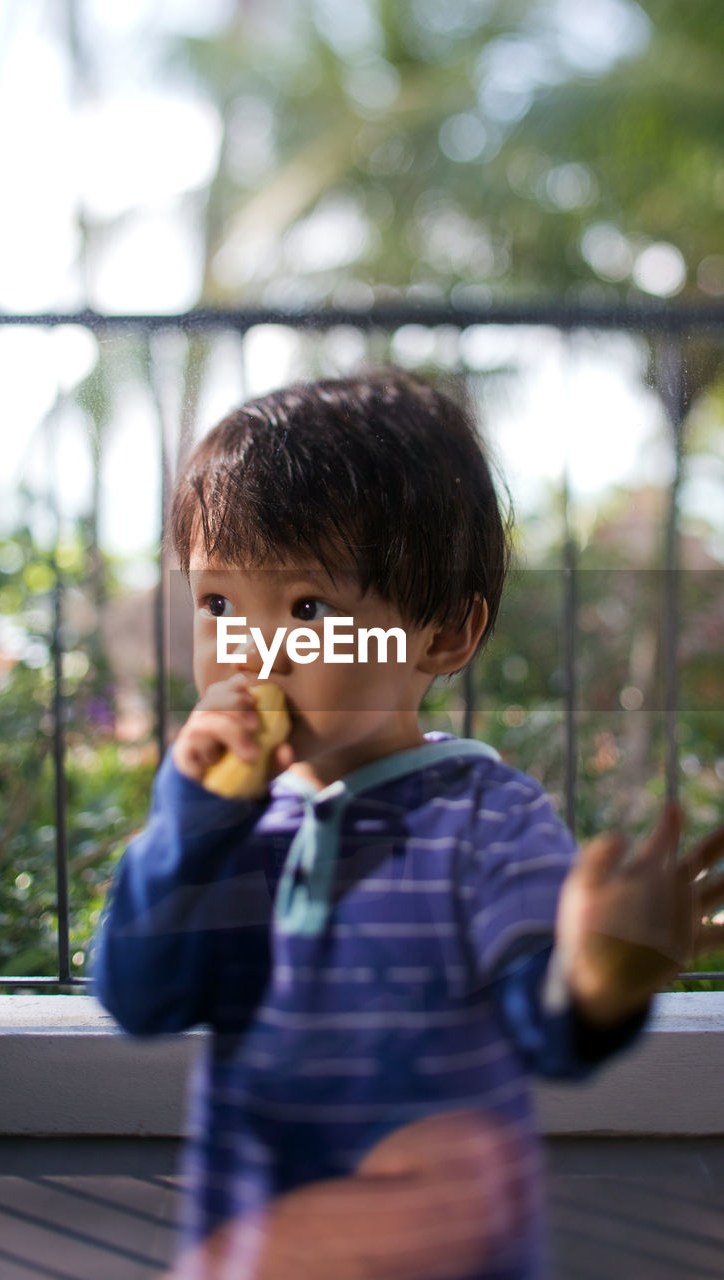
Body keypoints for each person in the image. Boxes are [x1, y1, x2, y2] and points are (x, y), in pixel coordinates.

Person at [92, 371, 724, 1280]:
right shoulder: (226, 827)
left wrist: (594, 980)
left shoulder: (483, 819)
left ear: (440, 636)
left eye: (307, 608)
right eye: (217, 604)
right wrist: (191, 822)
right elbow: (141, 998)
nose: (252, 649)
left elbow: (536, 1026)